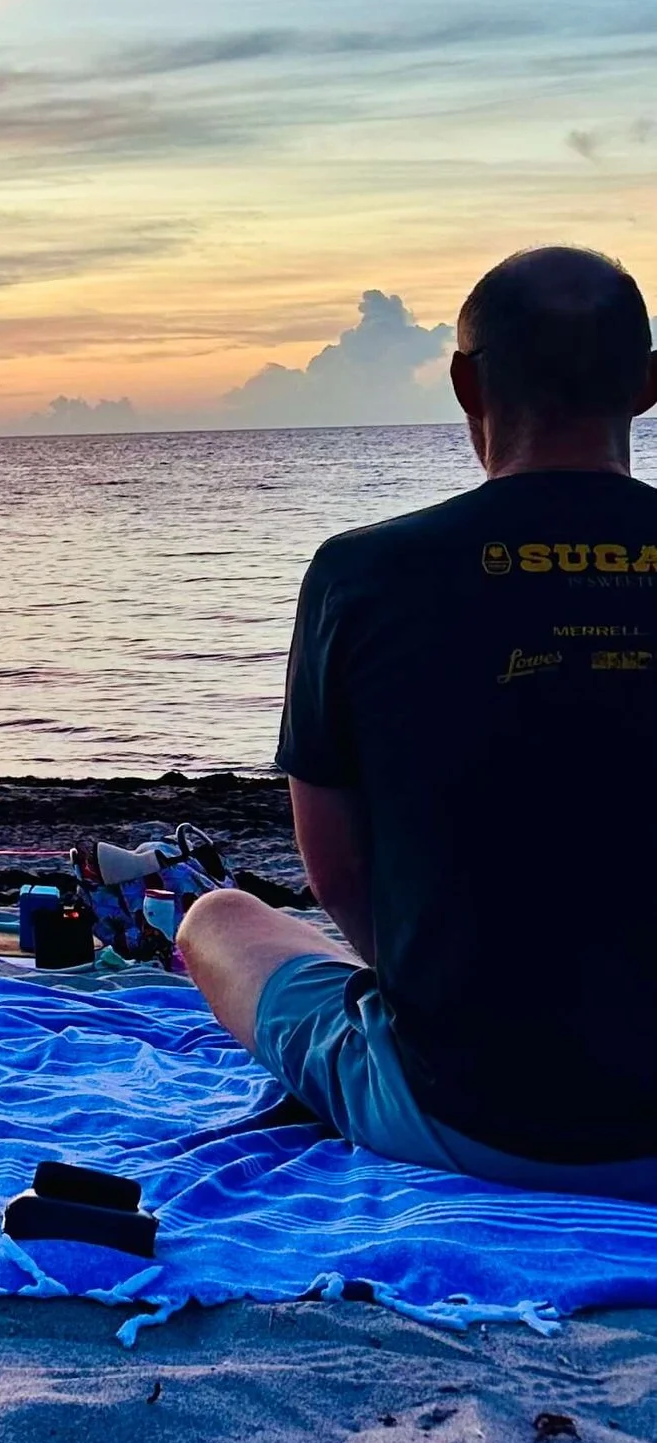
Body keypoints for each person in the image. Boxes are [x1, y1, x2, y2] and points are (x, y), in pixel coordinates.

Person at [182, 246, 657, 1198]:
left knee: (218, 916)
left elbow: (338, 872)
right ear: (648, 384)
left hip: (466, 1115)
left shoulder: (365, 576)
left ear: (464, 382)